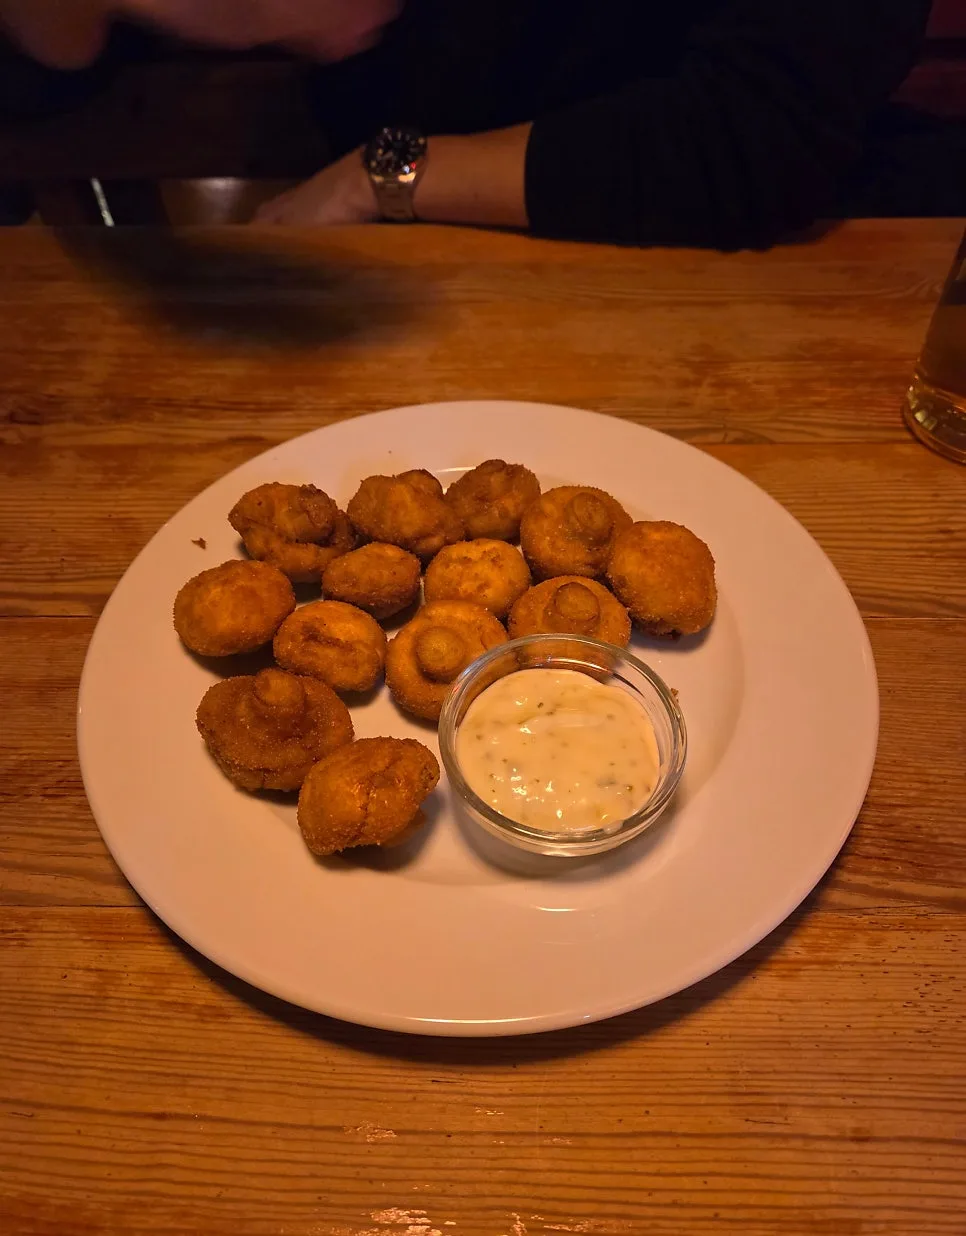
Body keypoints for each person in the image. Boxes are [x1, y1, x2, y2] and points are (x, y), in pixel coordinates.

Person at [0, 0, 942, 247]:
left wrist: (382, 174)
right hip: (378, 292)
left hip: (753, 270)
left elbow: (751, 144)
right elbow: (35, 86)